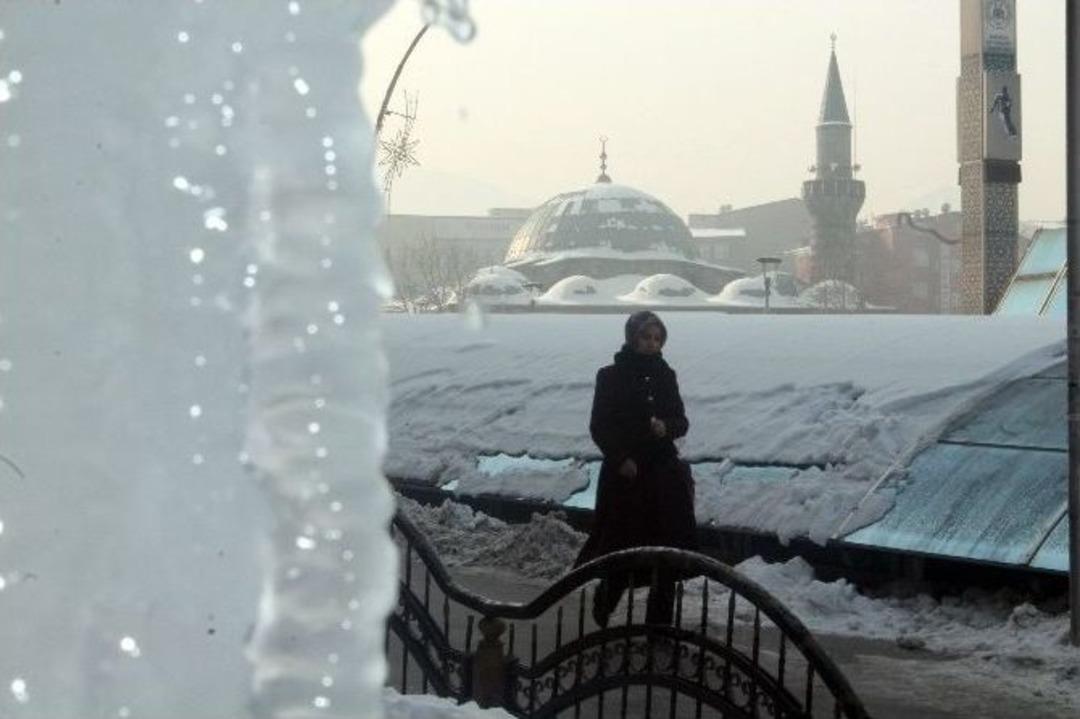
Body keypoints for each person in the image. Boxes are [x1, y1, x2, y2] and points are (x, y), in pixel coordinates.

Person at [575, 311, 697, 627]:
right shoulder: (610, 376)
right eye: (645, 337)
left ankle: (660, 625)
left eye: (657, 339)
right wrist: (620, 458)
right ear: (632, 338)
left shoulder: (666, 375)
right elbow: (599, 426)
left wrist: (665, 428)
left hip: (663, 476)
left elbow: (681, 422)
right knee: (624, 545)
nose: (651, 344)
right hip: (627, 478)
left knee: (666, 551)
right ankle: (607, 598)